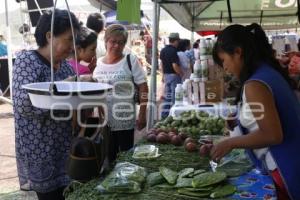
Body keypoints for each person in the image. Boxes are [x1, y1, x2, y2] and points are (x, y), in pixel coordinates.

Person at [210, 23, 300, 200]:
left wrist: (230, 143)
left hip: (284, 167)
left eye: (223, 60)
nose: (225, 68)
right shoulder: (266, 72)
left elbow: (273, 135)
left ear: (237, 52)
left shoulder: (255, 84)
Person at [12, 9, 80, 200]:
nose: (73, 45)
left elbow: (72, 102)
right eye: (69, 39)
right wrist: (63, 87)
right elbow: (23, 104)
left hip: (65, 148)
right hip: (40, 151)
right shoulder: (27, 61)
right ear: (50, 36)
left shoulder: (66, 66)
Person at [93, 24, 148, 163]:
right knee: (108, 156)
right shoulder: (98, 63)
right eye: (113, 41)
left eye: (121, 42)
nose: (116, 46)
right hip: (105, 120)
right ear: (106, 41)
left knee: (125, 157)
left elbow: (143, 87)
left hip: (125, 119)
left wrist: (142, 114)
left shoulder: (130, 60)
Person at [160, 32, 183, 118]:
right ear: (176, 41)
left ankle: (164, 115)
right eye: (178, 41)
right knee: (175, 97)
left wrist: (163, 75)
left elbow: (161, 64)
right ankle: (173, 117)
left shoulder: (163, 50)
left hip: (166, 75)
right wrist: (181, 73)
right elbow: (175, 65)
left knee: (167, 97)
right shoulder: (174, 51)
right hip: (174, 76)